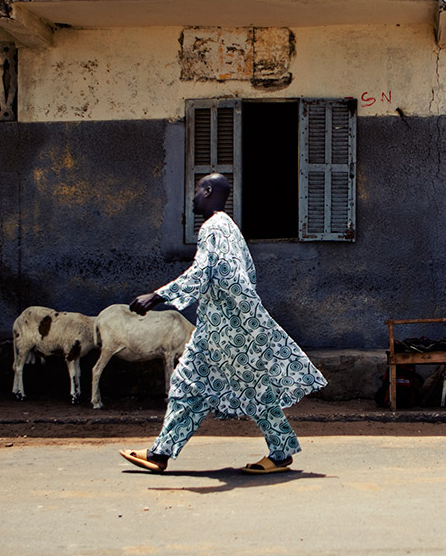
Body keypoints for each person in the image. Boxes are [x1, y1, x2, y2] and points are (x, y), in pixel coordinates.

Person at [120, 173, 327, 474]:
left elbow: (204, 270)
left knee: (247, 388)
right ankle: (160, 452)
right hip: (220, 328)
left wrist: (158, 295)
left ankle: (280, 453)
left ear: (207, 191)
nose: (192, 197)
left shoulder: (213, 228)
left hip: (227, 331)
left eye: (195, 190)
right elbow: (247, 275)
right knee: (191, 385)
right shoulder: (230, 228)